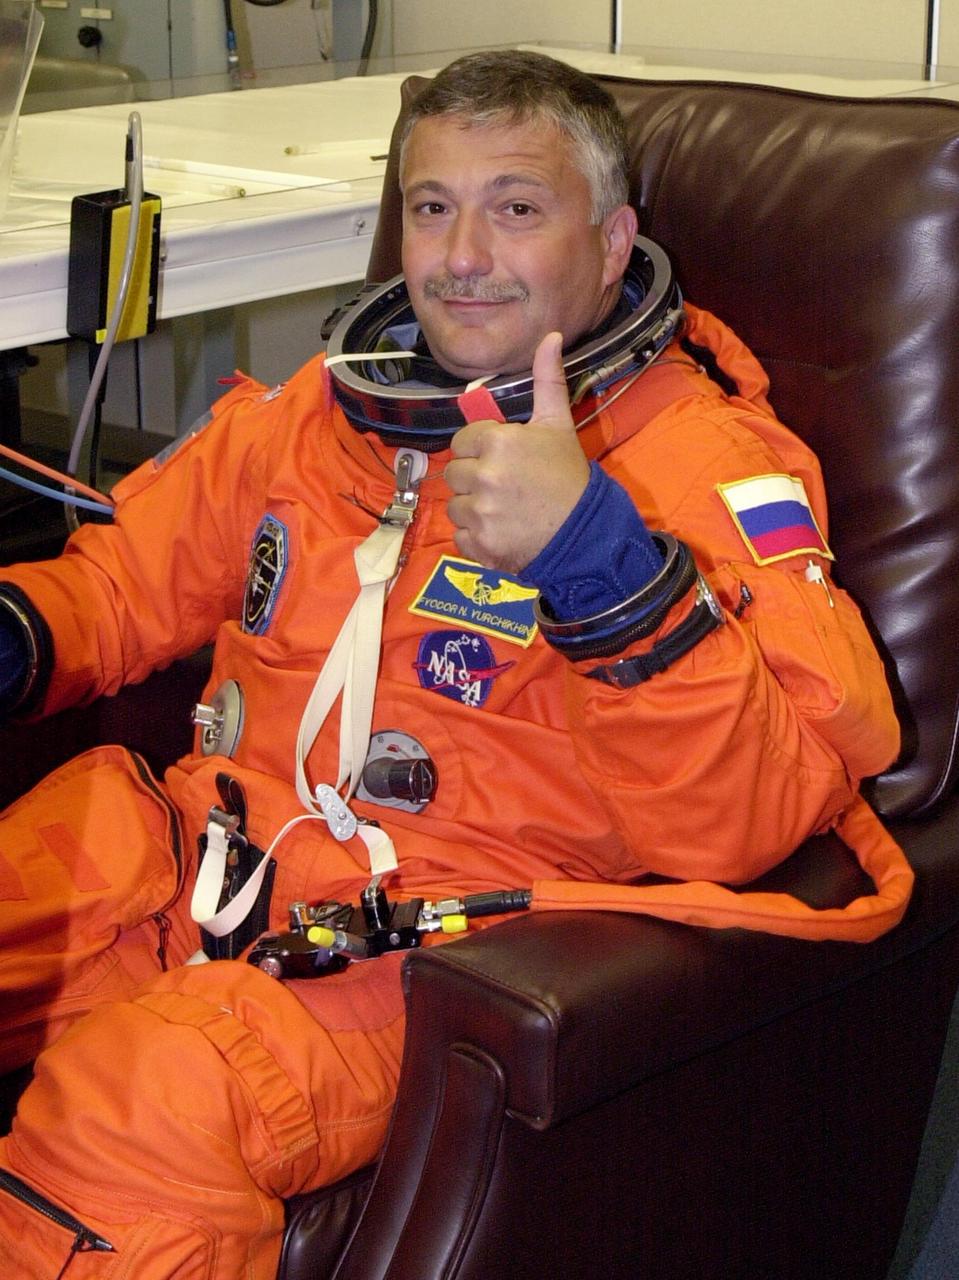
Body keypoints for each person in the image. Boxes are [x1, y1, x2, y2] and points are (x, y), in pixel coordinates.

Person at [0, 48, 911, 1279]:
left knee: (140, 1097)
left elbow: (750, 818)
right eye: (431, 207)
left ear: (609, 239)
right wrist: (19, 634)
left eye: (516, 207)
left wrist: (599, 562)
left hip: (402, 952)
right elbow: (120, 583)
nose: (460, 254)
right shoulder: (322, 416)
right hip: (184, 866)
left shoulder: (703, 469)